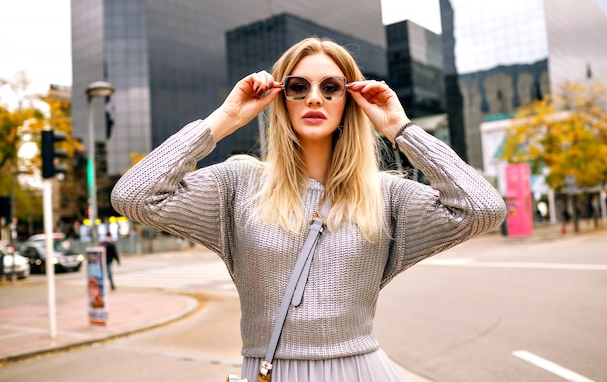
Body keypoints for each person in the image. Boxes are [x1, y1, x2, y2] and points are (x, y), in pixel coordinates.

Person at [111, 37, 506, 382]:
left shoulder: (385, 196)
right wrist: (224, 119)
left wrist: (401, 129)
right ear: (281, 97)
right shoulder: (238, 185)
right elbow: (134, 195)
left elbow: (482, 208)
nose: (314, 97)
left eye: (331, 87)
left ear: (349, 100)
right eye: (298, 87)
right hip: (269, 371)